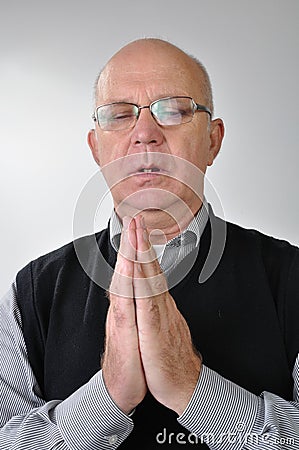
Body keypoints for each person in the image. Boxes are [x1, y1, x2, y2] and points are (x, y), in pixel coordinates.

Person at [0, 38, 298, 450]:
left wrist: (195, 389)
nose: (144, 134)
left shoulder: (292, 279)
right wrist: (107, 398)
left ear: (213, 140)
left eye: (174, 109)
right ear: (96, 148)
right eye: (120, 115)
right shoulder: (30, 294)